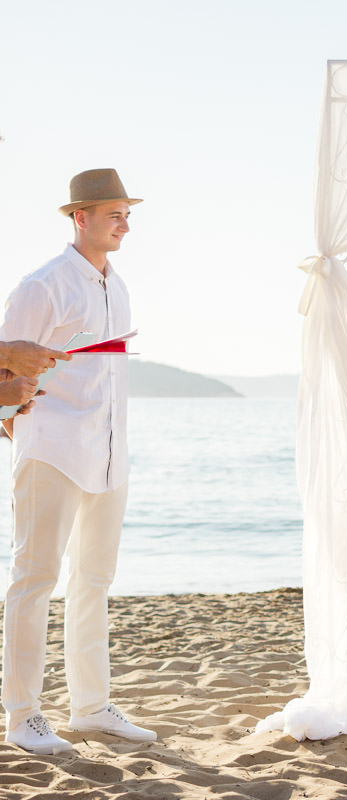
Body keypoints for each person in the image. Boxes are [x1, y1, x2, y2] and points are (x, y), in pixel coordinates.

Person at [1, 168, 155, 755]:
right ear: (79, 217)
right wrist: (22, 436)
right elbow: (6, 374)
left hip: (110, 456)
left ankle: (91, 707)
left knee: (94, 580)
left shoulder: (119, 286)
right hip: (53, 451)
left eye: (126, 213)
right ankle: (23, 715)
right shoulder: (41, 285)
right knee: (34, 579)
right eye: (113, 213)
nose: (123, 223)